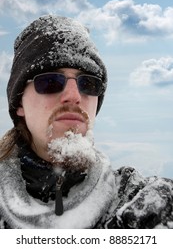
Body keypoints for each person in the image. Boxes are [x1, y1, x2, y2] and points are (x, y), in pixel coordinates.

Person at [0, 15, 173, 229]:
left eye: (88, 83)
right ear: (19, 104)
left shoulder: (141, 202)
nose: (74, 95)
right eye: (51, 81)